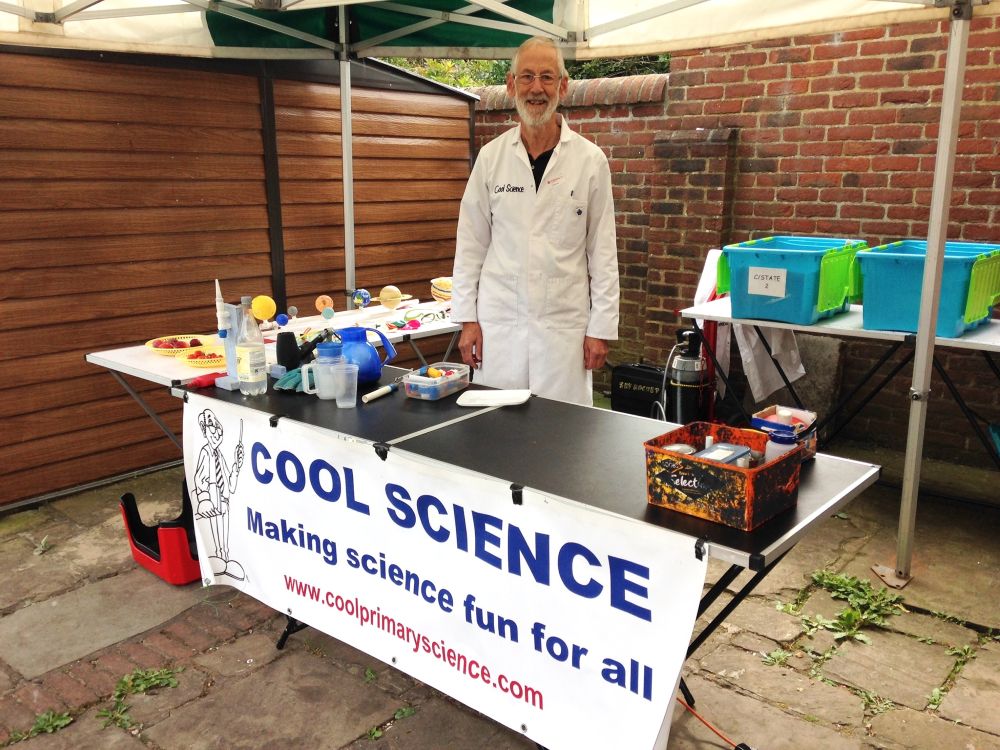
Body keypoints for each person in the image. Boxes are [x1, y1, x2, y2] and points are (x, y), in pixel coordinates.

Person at [451, 36, 620, 406]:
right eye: (526, 77)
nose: (536, 88)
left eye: (547, 77)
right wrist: (467, 320)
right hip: (500, 328)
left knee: (564, 436)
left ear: (563, 86)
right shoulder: (492, 159)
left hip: (564, 331)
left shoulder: (590, 162)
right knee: (497, 431)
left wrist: (601, 329)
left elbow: (603, 253)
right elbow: (471, 244)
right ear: (511, 85)